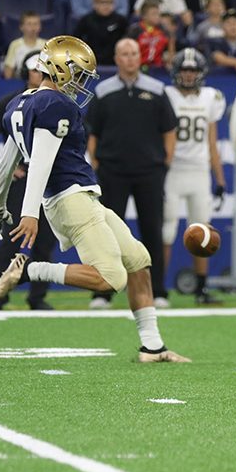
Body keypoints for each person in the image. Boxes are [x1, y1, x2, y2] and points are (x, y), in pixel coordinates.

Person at [0, 36, 189, 362]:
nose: (80, 82)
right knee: (111, 278)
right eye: (78, 73)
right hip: (69, 199)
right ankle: (30, 272)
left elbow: (8, 160)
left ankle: (152, 346)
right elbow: (38, 161)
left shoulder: (20, 103)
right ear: (58, 68)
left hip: (80, 196)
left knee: (138, 259)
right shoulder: (56, 105)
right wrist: (29, 213)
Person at [85, 38, 178, 308]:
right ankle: (102, 293)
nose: (129, 58)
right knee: (108, 234)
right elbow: (93, 133)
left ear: (141, 57)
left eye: (134, 54)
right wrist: (96, 164)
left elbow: (169, 130)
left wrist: (165, 163)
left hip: (150, 172)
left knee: (153, 231)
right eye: (124, 54)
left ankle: (157, 291)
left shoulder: (158, 90)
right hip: (112, 172)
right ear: (116, 58)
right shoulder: (103, 92)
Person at [0, 54, 56, 310]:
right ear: (26, 74)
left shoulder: (56, 102)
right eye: (36, 71)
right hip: (22, 180)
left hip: (48, 178)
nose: (40, 76)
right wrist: (6, 168)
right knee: (12, 237)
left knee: (45, 238)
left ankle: (38, 296)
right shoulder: (12, 103)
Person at [162, 49, 226, 305]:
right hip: (173, 171)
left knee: (203, 232)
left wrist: (219, 178)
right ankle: (158, 288)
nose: (188, 75)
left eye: (193, 71)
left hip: (199, 171)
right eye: (185, 70)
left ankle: (202, 289)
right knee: (165, 231)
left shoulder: (211, 98)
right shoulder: (167, 96)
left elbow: (212, 143)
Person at [72, 0, 127, 66]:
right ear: (94, 4)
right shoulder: (86, 20)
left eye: (109, 2)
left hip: (115, 64)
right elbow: (76, 41)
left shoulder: (121, 21)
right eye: (102, 2)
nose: (106, 5)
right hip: (91, 64)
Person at [127, 0, 173, 68]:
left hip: (159, 69)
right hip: (138, 68)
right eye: (154, 14)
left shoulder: (163, 31)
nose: (157, 17)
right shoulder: (135, 30)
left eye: (158, 14)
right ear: (144, 16)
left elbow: (170, 50)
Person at [3, 11, 45, 80]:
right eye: (29, 24)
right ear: (21, 27)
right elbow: (8, 74)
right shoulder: (15, 45)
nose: (33, 27)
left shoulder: (46, 45)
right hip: (20, 81)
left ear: (40, 27)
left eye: (35, 24)